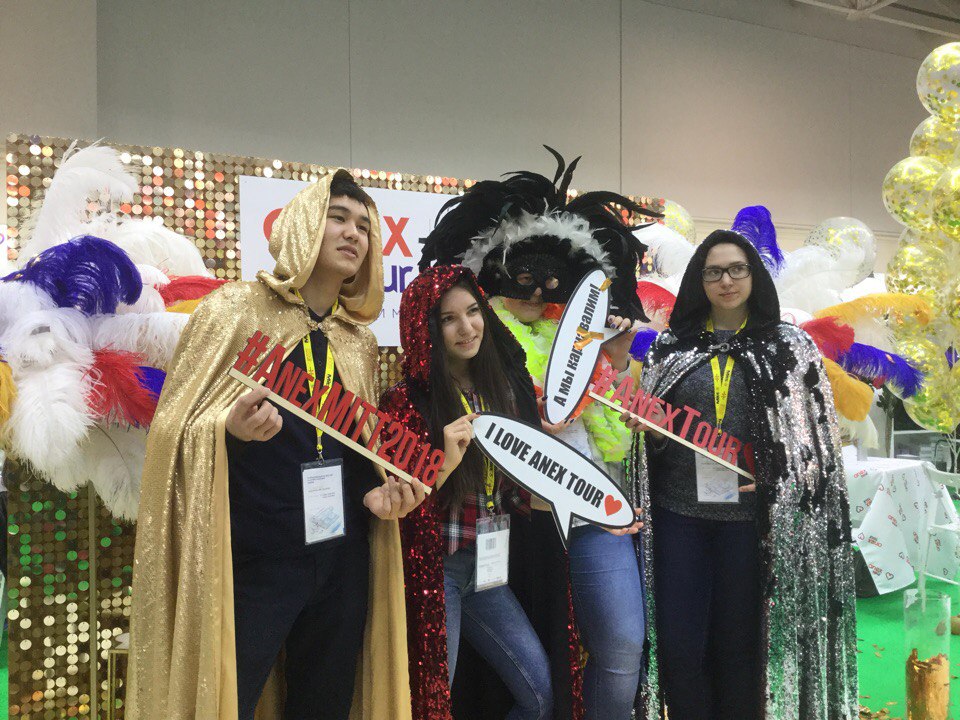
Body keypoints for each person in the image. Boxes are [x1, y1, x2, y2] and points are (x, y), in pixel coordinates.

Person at [127, 170, 425, 720]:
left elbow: (355, 444)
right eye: (338, 217)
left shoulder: (357, 342)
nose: (353, 233)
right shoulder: (235, 311)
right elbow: (174, 426)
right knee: (229, 698)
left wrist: (375, 492)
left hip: (340, 556)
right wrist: (226, 427)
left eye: (364, 226)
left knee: (326, 703)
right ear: (303, 223)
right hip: (258, 554)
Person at [418, 148, 655, 720]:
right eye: (522, 278)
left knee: (622, 645)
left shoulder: (589, 342)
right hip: (519, 526)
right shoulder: (484, 352)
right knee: (532, 672)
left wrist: (618, 364)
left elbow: (618, 435)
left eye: (551, 281)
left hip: (594, 513)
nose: (535, 292)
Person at [624, 230, 858, 720]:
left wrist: (777, 477)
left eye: (736, 269)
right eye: (713, 272)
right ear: (699, 279)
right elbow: (654, 442)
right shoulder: (670, 346)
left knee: (740, 645)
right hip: (679, 517)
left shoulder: (788, 347)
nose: (726, 281)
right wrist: (654, 431)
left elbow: (814, 442)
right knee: (681, 644)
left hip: (751, 523)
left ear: (753, 275)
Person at [381, 264, 558, 720]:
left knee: (540, 696)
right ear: (426, 328)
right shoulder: (405, 400)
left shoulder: (502, 388)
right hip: (437, 568)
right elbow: (399, 504)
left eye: (473, 312)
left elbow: (521, 488)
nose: (467, 327)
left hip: (490, 566)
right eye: (448, 318)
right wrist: (442, 460)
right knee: (432, 702)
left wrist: (596, 508)